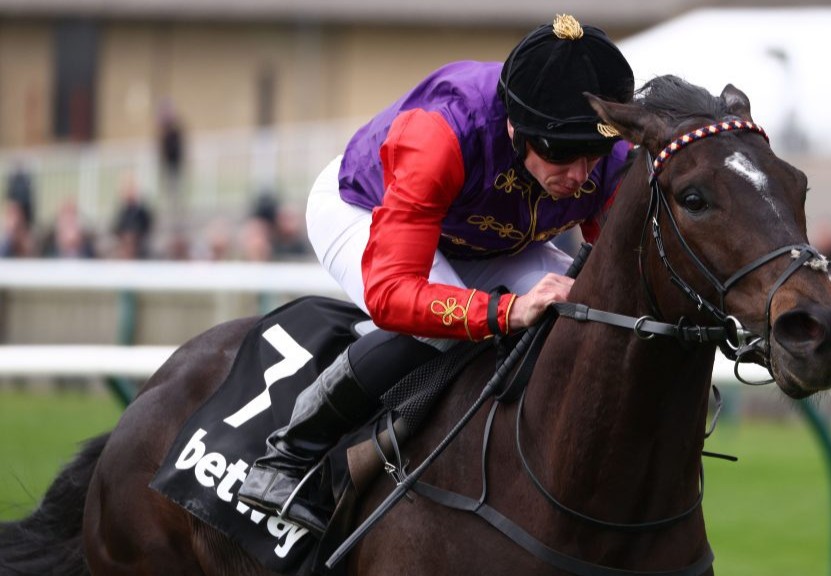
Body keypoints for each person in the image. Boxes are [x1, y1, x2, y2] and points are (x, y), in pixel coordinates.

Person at [237, 14, 635, 532]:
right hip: (364, 207)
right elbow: (392, 294)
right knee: (447, 329)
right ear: (514, 128)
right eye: (561, 153)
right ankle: (290, 456)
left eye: (594, 155)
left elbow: (621, 280)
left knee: (582, 311)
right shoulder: (439, 132)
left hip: (492, 236)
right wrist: (507, 311)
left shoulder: (610, 155)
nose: (580, 176)